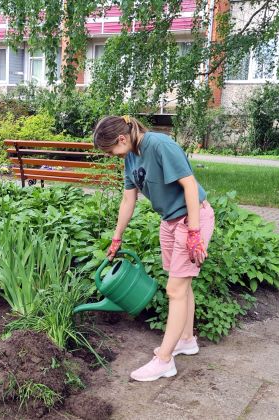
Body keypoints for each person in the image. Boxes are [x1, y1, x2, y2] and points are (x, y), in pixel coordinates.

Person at [93, 115, 215, 381]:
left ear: (122, 139)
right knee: (183, 285)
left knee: (175, 289)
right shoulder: (130, 157)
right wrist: (116, 238)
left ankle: (164, 361)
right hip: (169, 222)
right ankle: (185, 339)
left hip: (191, 219)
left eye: (111, 149)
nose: (112, 155)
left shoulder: (160, 145)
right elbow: (128, 200)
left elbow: (190, 186)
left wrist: (194, 232)